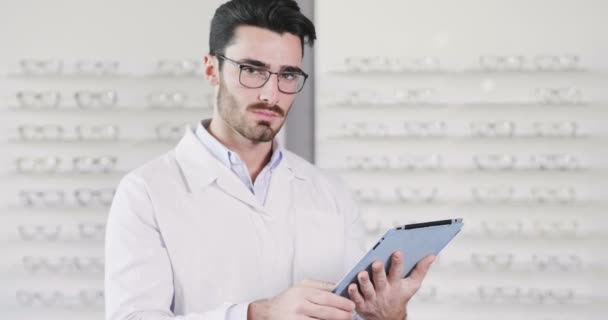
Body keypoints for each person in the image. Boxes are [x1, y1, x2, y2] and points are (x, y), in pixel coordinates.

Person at [104, 0, 435, 319]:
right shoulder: (146, 192)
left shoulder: (332, 195)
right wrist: (256, 315)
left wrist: (387, 316)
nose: (270, 94)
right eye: (252, 70)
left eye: (287, 75)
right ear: (211, 70)